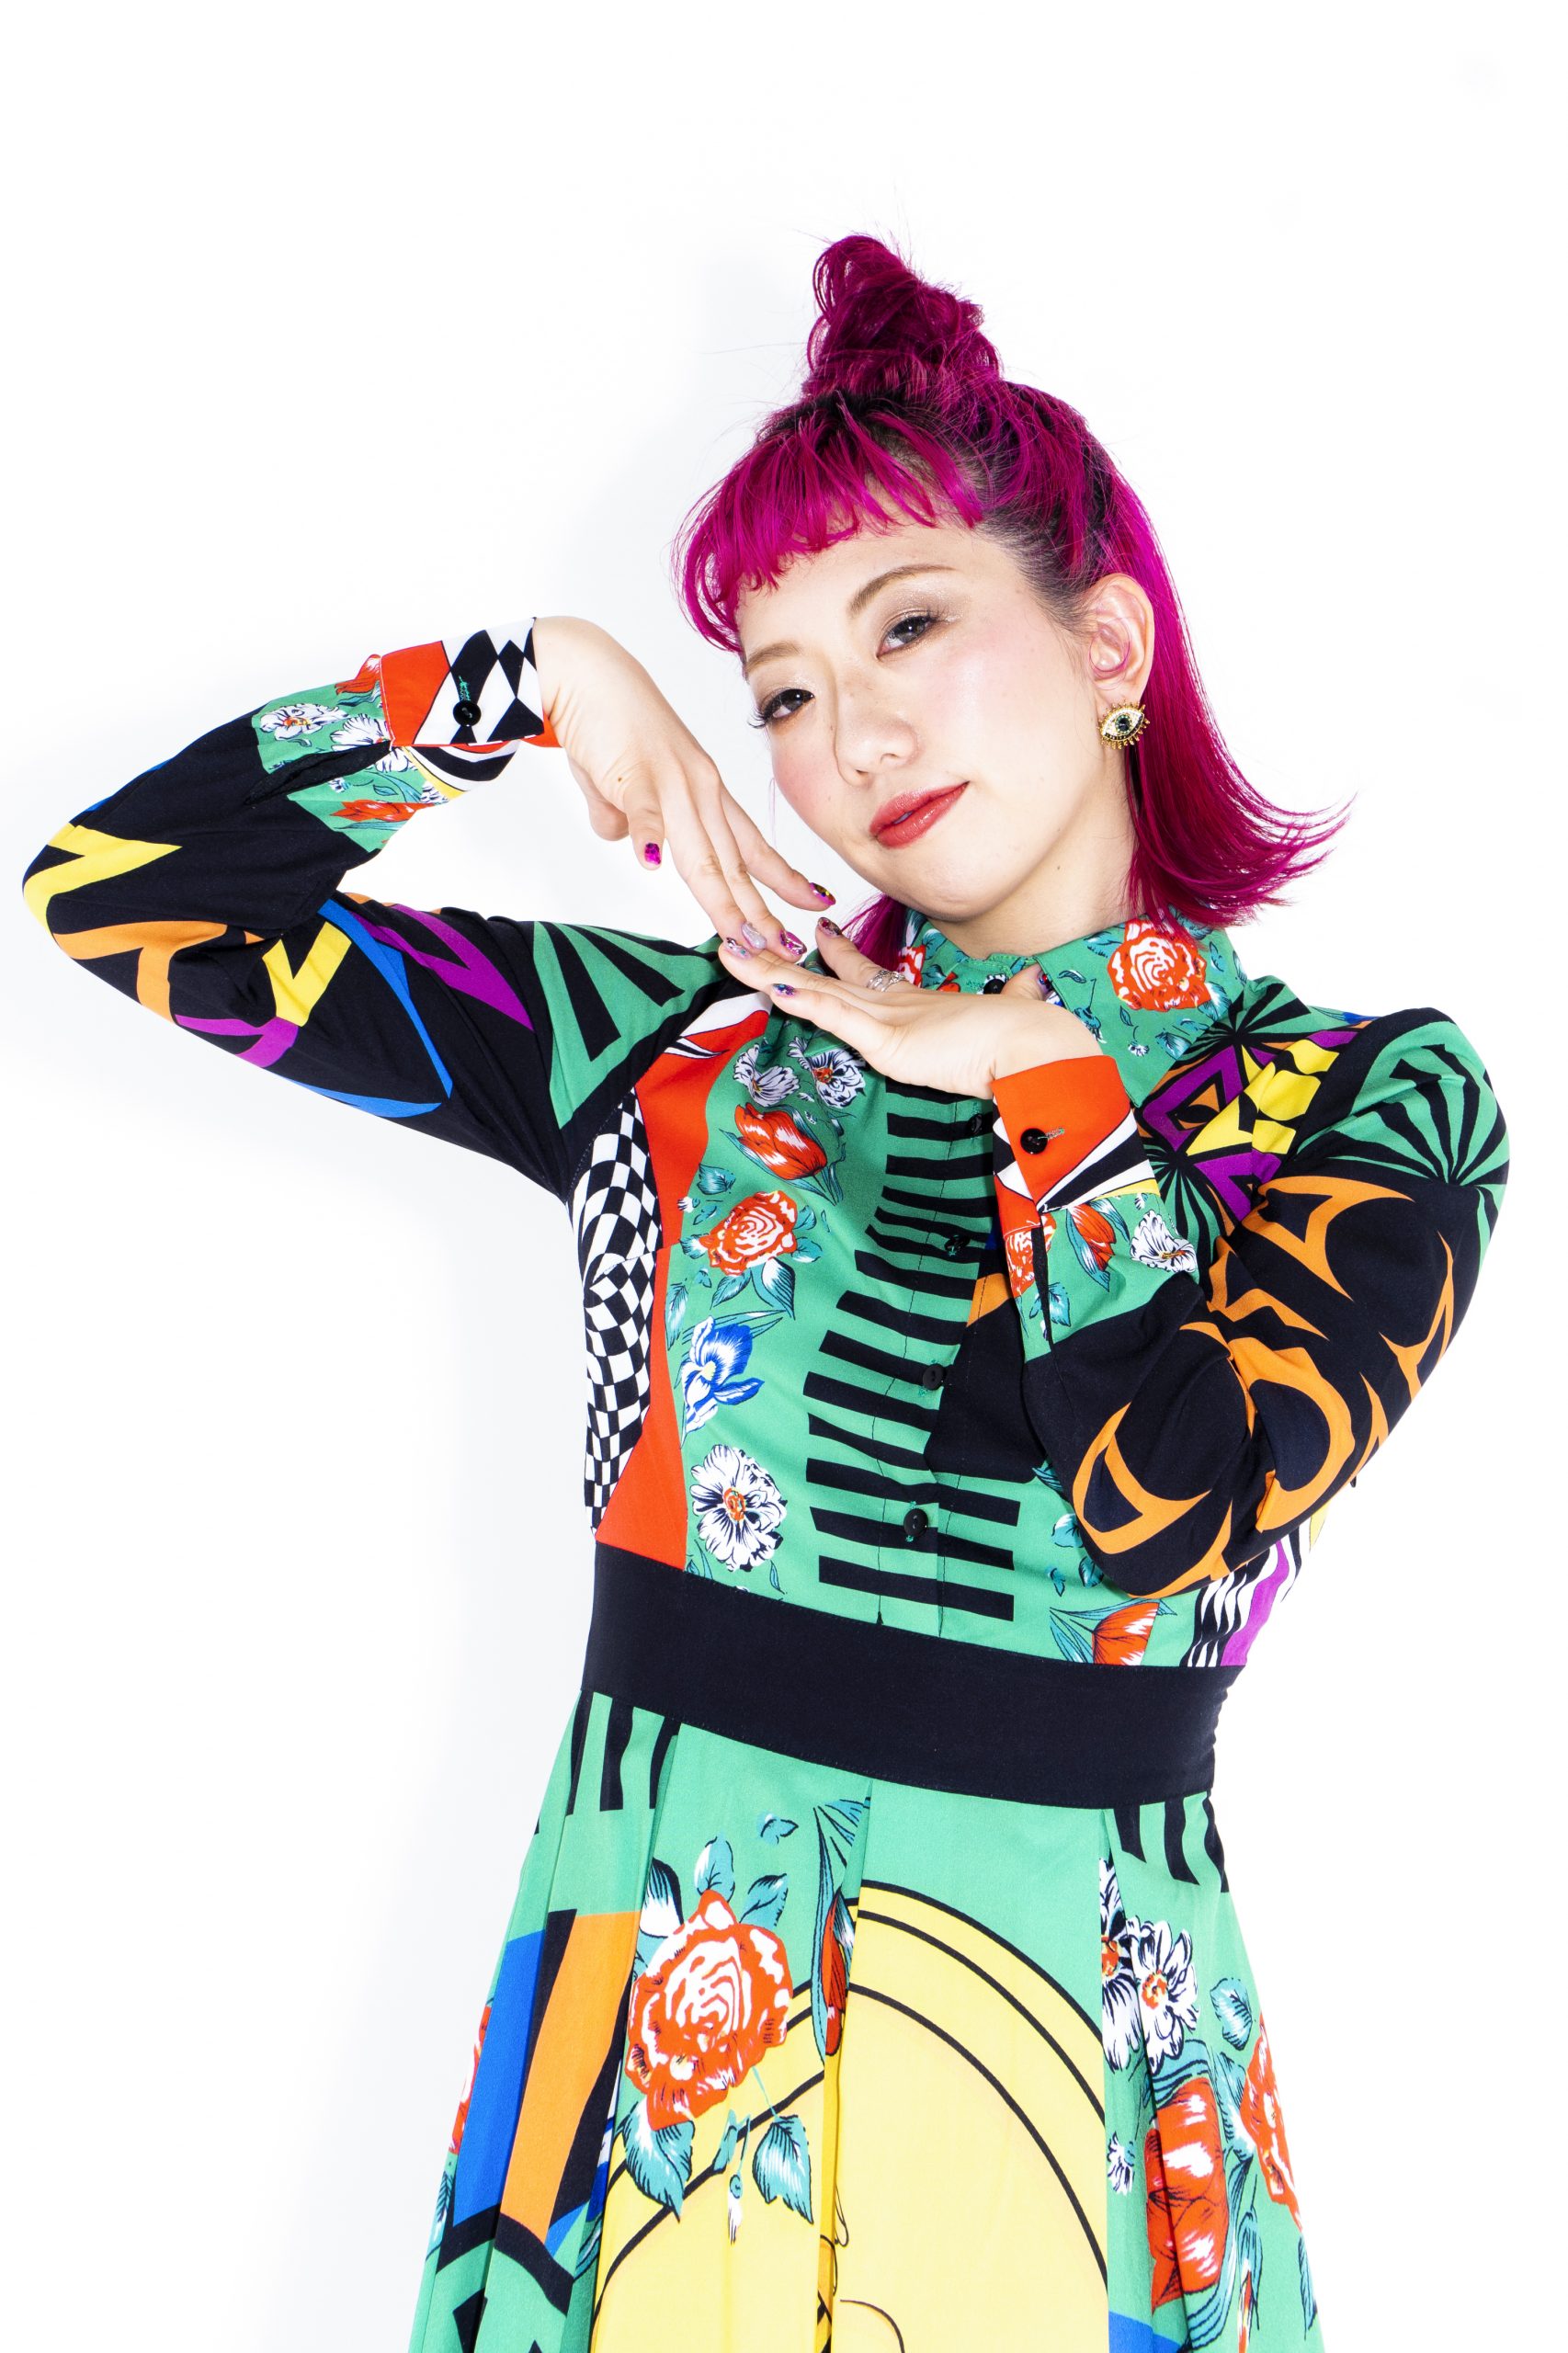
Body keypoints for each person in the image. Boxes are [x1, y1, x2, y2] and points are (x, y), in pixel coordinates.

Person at [19, 233, 1508, 2353]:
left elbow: (1169, 1505)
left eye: (907, 622)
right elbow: (128, 896)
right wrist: (523, 686)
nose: (850, 730)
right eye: (784, 691)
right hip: (644, 2028)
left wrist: (1050, 1087)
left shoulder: (1366, 1099)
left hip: (1068, 2065)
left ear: (1107, 641)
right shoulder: (684, 1053)